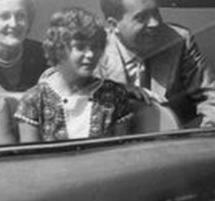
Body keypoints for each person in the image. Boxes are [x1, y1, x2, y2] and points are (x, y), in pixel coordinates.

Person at [97, 0, 215, 128]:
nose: (155, 23)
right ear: (114, 25)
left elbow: (211, 96)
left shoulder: (178, 40)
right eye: (141, 17)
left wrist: (204, 141)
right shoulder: (95, 51)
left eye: (156, 12)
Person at [16, 8, 135, 142]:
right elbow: (31, 159)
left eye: (95, 47)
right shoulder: (34, 100)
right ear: (59, 48)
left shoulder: (114, 95)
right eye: (80, 47)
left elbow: (122, 152)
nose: (90, 55)